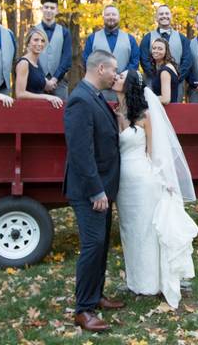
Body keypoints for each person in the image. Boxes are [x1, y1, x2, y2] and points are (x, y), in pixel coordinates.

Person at [114, 70, 198, 309]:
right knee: (130, 230)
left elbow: (154, 152)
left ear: (129, 85)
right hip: (123, 183)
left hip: (143, 180)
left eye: (120, 76)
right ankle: (136, 280)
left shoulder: (145, 115)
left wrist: (163, 180)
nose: (116, 78)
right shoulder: (116, 111)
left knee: (146, 230)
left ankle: (151, 282)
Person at [62, 50, 126, 333]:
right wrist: (96, 191)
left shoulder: (98, 96)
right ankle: (83, 309)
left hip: (104, 187)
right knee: (91, 246)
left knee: (100, 245)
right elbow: (80, 152)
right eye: (113, 70)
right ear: (101, 68)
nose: (115, 75)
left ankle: (96, 294)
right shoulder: (79, 100)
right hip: (90, 189)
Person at [83, 6, 140, 102]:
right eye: (108, 14)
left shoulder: (130, 39)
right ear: (103, 17)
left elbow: (135, 61)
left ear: (118, 17)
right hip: (99, 87)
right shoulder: (92, 38)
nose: (111, 17)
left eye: (114, 14)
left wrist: (120, 77)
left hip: (123, 87)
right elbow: (86, 61)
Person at [139, 5, 191, 95]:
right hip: (152, 82)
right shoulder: (147, 38)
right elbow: (144, 60)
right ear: (156, 17)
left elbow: (187, 60)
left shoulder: (182, 38)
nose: (164, 16)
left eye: (167, 13)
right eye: (161, 14)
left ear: (171, 16)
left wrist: (177, 77)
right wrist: (156, 78)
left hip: (176, 84)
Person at [14, 27, 64, 108]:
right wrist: (46, 97)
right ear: (28, 42)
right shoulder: (24, 63)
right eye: (36, 40)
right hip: (26, 109)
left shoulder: (37, 64)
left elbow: (40, 84)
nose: (39, 43)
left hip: (38, 108)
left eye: (42, 41)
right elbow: (20, 94)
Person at [36, 0, 72, 99]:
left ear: (57, 11)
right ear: (42, 9)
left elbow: (67, 58)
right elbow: (31, 57)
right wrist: (43, 79)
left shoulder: (65, 32)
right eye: (46, 7)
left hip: (59, 82)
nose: (49, 10)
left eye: (52, 8)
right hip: (38, 81)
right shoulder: (33, 30)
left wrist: (54, 79)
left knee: (60, 113)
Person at [149, 37, 180, 105]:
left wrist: (147, 98)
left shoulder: (165, 71)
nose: (156, 51)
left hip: (168, 112)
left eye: (160, 49)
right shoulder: (162, 67)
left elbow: (165, 99)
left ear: (166, 51)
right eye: (154, 48)